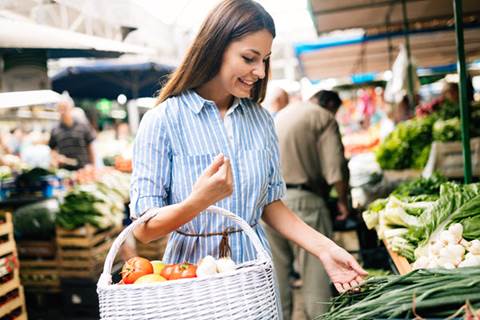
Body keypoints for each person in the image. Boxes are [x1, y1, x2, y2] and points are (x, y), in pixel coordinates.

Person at [130, 1, 366, 317]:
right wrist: (198, 201)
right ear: (214, 48)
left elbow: (270, 204)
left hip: (255, 276)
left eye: (265, 60)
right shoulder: (162, 121)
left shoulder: (262, 121)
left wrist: (326, 249)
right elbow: (144, 229)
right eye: (249, 58)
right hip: (190, 283)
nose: (261, 72)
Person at [265, 89, 351, 318]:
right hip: (306, 203)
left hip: (269, 205)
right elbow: (335, 170)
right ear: (330, 105)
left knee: (278, 277)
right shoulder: (324, 117)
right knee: (316, 277)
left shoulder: (283, 114)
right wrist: (343, 202)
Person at [49, 98, 96, 170]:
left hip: (83, 169)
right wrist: (56, 158)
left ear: (71, 108)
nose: (62, 111)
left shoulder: (83, 125)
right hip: (64, 171)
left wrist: (93, 165)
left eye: (64, 108)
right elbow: (52, 149)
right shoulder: (55, 129)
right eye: (60, 109)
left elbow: (90, 147)